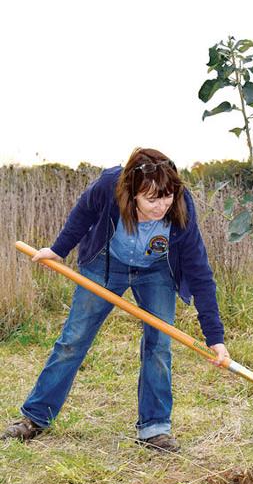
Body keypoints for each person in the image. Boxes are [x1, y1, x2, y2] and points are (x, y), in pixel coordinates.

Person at [2, 147, 229, 452]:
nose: (162, 205)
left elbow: (200, 272)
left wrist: (215, 337)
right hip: (106, 264)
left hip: (156, 270)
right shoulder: (109, 186)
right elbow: (82, 214)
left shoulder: (181, 207)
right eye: (152, 198)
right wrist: (59, 249)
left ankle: (154, 428)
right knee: (74, 340)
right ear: (132, 192)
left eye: (167, 196)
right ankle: (35, 418)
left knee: (159, 344)